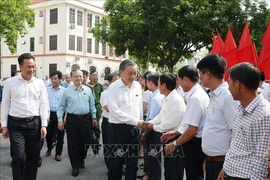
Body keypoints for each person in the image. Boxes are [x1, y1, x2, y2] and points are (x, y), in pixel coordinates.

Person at [217, 63, 270, 179]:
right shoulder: (241, 109)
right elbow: (236, 144)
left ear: (237, 84)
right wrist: (225, 168)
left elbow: (261, 160)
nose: (228, 87)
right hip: (231, 173)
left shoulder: (264, 115)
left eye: (229, 82)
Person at [1, 53, 49, 180]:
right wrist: (4, 125)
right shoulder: (10, 83)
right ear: (20, 67)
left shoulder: (39, 83)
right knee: (18, 156)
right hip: (16, 124)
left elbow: (44, 104)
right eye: (28, 67)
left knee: (33, 157)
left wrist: (44, 124)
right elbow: (5, 104)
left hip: (34, 124)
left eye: (33, 67)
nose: (32, 70)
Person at [162, 65, 209, 180]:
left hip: (195, 144)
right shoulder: (198, 94)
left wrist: (175, 143)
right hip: (196, 142)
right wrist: (177, 132)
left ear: (186, 79)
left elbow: (193, 129)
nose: (178, 83)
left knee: (193, 175)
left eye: (179, 79)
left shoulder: (195, 98)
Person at [196, 54, 238, 180]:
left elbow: (236, 133)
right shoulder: (213, 95)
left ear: (208, 74)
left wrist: (226, 165)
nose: (199, 77)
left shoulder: (227, 96)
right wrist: (209, 157)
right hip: (212, 160)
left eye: (200, 73)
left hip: (224, 162)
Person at [106, 59, 145, 180]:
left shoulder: (137, 86)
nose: (133, 76)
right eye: (130, 73)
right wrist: (136, 121)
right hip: (117, 130)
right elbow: (115, 112)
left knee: (132, 163)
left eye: (135, 73)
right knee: (116, 163)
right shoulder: (113, 88)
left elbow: (139, 108)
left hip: (133, 130)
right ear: (121, 72)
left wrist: (140, 122)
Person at [144, 72, 186, 180]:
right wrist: (150, 123)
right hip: (168, 136)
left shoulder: (176, 100)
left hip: (175, 137)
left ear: (163, 85)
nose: (157, 86)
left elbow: (170, 124)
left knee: (174, 170)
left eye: (158, 83)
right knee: (169, 169)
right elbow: (161, 115)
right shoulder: (167, 98)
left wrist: (152, 127)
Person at [57, 69, 97, 177]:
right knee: (72, 143)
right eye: (76, 76)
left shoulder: (88, 90)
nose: (79, 79)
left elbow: (92, 105)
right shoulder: (67, 91)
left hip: (85, 119)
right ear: (71, 77)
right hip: (72, 120)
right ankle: (75, 166)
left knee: (86, 141)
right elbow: (61, 107)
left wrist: (94, 117)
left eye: (81, 76)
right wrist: (60, 120)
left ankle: (81, 158)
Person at [140, 72, 163, 180]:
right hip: (158, 129)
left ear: (150, 82)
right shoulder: (159, 95)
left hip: (154, 131)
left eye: (146, 81)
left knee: (154, 159)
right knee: (154, 157)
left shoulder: (155, 98)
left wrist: (145, 134)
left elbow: (151, 120)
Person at [100, 72, 119, 171]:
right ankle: (110, 168)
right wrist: (120, 110)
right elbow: (107, 108)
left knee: (118, 145)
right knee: (108, 145)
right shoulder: (104, 94)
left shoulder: (121, 93)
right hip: (108, 122)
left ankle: (118, 167)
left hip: (119, 122)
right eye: (114, 81)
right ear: (109, 82)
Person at [45, 71, 65, 161]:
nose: (53, 80)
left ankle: (58, 153)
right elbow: (44, 103)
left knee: (60, 135)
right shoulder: (47, 89)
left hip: (60, 114)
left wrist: (65, 117)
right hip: (49, 114)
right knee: (48, 134)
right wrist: (46, 116)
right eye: (52, 78)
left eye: (55, 78)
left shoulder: (64, 91)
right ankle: (49, 147)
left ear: (60, 79)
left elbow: (66, 105)